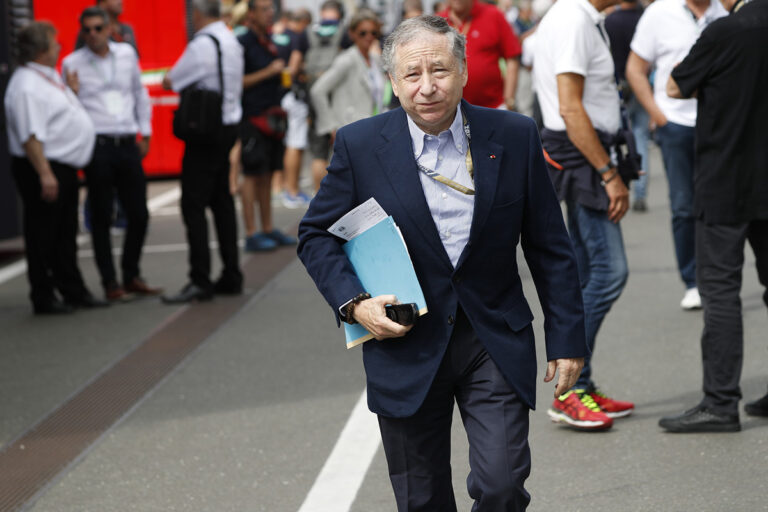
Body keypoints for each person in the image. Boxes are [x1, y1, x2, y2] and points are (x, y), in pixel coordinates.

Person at [298, 15, 588, 509]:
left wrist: (567, 339)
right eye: (412, 75)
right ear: (393, 81)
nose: (427, 87)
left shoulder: (513, 135)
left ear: (464, 71)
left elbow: (549, 245)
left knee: (502, 484)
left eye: (440, 71)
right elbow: (315, 234)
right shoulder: (360, 144)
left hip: (492, 335)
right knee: (422, 498)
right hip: (404, 340)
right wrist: (355, 305)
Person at [658, 0, 768, 433]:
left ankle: (721, 402)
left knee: (720, 291)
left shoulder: (723, 31)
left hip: (727, 178)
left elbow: (673, 86)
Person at [534, 0, 636, 430]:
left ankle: (582, 383)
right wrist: (609, 172)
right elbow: (571, 108)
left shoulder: (582, 18)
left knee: (584, 274)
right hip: (582, 160)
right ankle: (570, 388)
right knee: (610, 272)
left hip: (585, 156)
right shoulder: (573, 19)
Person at [626, 0, 726, 310]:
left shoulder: (727, 10)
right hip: (676, 124)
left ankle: (718, 278)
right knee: (683, 205)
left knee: (722, 206)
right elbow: (635, 69)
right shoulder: (660, 12)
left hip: (722, 124)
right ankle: (692, 281)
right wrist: (659, 115)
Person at [4, 21, 108, 314]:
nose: (59, 46)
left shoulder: (45, 77)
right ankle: (44, 295)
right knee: (43, 234)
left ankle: (72, 289)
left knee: (64, 232)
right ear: (40, 50)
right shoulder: (26, 85)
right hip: (43, 167)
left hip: (61, 166)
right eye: (54, 43)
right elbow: (30, 136)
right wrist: (45, 174)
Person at [62, 7, 161, 302]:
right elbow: (67, 107)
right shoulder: (72, 62)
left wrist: (146, 131)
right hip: (97, 144)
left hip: (127, 140)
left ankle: (131, 274)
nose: (92, 34)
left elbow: (139, 94)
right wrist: (73, 93)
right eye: (87, 30)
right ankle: (110, 281)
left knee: (139, 214)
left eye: (97, 28)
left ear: (109, 29)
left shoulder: (126, 54)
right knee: (103, 215)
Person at [161, 0, 244, 303]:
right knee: (222, 203)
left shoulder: (202, 43)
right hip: (228, 128)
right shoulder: (231, 40)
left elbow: (172, 79)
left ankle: (200, 279)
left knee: (193, 206)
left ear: (197, 14)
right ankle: (232, 273)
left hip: (204, 133)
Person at [234, 0, 298, 252]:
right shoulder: (243, 42)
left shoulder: (269, 40)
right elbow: (237, 82)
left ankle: (268, 228)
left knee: (268, 174)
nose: (270, 13)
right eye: (264, 9)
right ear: (251, 14)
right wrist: (269, 72)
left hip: (273, 117)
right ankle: (251, 233)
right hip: (252, 118)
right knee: (252, 175)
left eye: (272, 8)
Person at [310, 9, 386, 143]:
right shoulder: (346, 60)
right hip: (351, 131)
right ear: (352, 34)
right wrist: (331, 127)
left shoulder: (375, 59)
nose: (369, 36)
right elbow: (318, 91)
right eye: (363, 33)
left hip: (373, 129)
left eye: (373, 33)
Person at [604, 0, 650, 212]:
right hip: (641, 82)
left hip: (620, 84)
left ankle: (623, 183)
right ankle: (640, 191)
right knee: (640, 135)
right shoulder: (645, 17)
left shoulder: (610, 20)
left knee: (620, 136)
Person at [438, 0, 522, 110]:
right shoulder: (438, 22)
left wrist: (509, 101)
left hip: (493, 108)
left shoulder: (494, 15)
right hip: (451, 111)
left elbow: (512, 58)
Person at [303, 0, 346, 190]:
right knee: (343, 147)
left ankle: (318, 200)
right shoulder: (344, 31)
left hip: (313, 89)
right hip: (337, 91)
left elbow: (297, 61)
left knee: (318, 151)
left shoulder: (309, 31)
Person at [275, 8, 312, 209]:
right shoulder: (298, 37)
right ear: (304, 22)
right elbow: (293, 66)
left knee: (287, 142)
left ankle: (282, 187)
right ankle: (292, 191)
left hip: (279, 97)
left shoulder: (278, 35)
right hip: (293, 95)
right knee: (295, 143)